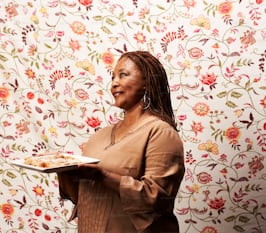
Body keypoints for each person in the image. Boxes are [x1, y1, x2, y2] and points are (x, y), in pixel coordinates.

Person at [57, 51, 185, 233]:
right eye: (113, 77)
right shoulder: (100, 136)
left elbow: (157, 199)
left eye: (123, 75)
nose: (114, 83)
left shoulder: (161, 132)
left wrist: (103, 176)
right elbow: (83, 197)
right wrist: (63, 170)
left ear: (147, 81)